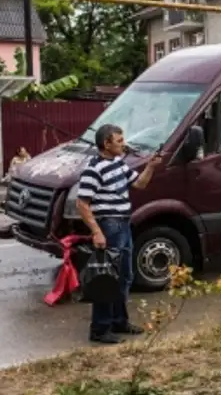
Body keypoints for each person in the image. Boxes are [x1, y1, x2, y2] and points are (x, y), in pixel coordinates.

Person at [76, 124, 163, 344]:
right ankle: (100, 329)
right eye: (119, 141)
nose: (124, 144)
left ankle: (119, 321)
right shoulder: (93, 169)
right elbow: (82, 203)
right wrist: (97, 232)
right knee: (107, 279)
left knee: (124, 276)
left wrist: (151, 166)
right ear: (106, 143)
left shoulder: (118, 163)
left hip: (124, 224)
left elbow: (140, 184)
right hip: (109, 226)